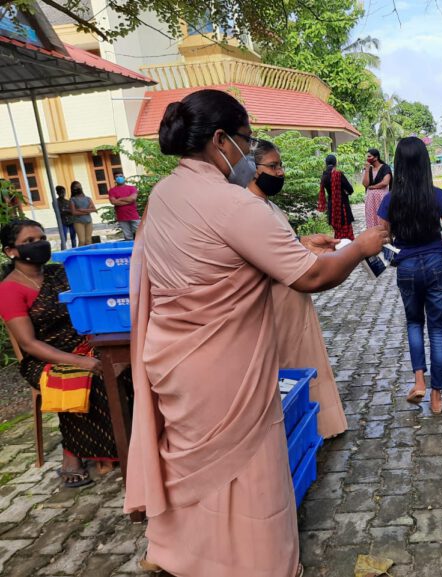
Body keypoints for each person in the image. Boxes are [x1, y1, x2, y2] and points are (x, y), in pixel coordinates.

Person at [125, 89, 387, 577]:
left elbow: (216, 261)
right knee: (248, 472)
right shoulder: (231, 204)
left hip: (174, 362)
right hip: (226, 371)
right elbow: (312, 276)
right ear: (221, 139)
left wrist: (305, 243)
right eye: (246, 142)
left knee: (192, 469)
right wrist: (361, 246)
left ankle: (184, 556)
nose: (249, 155)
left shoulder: (162, 195)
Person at [0, 219, 129, 488]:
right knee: (87, 380)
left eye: (41, 238)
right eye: (30, 242)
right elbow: (28, 344)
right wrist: (82, 361)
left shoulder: (60, 273)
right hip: (44, 358)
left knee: (125, 367)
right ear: (11, 251)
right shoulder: (9, 289)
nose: (40, 245)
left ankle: (127, 444)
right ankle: (74, 453)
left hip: (84, 343)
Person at [252, 140, 349, 438]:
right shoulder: (248, 211)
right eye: (272, 166)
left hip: (294, 300)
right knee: (292, 367)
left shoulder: (268, 205)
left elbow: (282, 248)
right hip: (277, 302)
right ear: (250, 170)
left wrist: (305, 244)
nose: (280, 172)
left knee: (310, 359)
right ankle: (300, 432)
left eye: (280, 165)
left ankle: (320, 425)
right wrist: (355, 252)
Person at [378, 137, 442, 415]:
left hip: (408, 267)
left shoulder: (390, 201)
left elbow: (384, 239)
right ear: (426, 163)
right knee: (437, 328)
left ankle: (419, 382)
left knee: (414, 323)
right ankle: (437, 396)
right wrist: (438, 244)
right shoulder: (438, 196)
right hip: (437, 263)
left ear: (398, 165)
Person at [318, 154, 355, 240]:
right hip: (342, 206)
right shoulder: (338, 174)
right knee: (346, 229)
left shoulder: (324, 176)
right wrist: (344, 192)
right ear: (335, 163)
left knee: (338, 231)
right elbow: (350, 189)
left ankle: (339, 248)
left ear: (326, 164)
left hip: (333, 207)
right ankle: (349, 248)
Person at [361, 148, 392, 228]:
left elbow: (385, 182)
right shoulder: (368, 169)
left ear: (376, 157)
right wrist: (367, 170)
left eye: (369, 156)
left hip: (381, 198)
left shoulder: (385, 167)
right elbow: (365, 184)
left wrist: (372, 187)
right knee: (371, 218)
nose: (367, 159)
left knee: (382, 218)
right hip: (370, 199)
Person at [108, 172, 141, 241]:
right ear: (114, 179)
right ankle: (130, 251)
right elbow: (114, 202)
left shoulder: (131, 188)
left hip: (133, 215)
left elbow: (133, 199)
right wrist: (128, 200)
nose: (119, 178)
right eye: (117, 176)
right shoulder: (112, 190)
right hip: (121, 217)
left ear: (124, 178)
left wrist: (120, 199)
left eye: (121, 176)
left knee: (139, 235)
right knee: (128, 237)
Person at [69, 182, 96, 246]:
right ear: (73, 189)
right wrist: (87, 211)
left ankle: (89, 254)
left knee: (88, 240)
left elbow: (94, 209)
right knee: (82, 241)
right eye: (76, 187)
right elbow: (74, 212)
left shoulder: (88, 198)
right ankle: (80, 255)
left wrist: (83, 210)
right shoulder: (72, 199)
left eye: (79, 186)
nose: (78, 188)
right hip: (78, 222)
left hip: (88, 221)